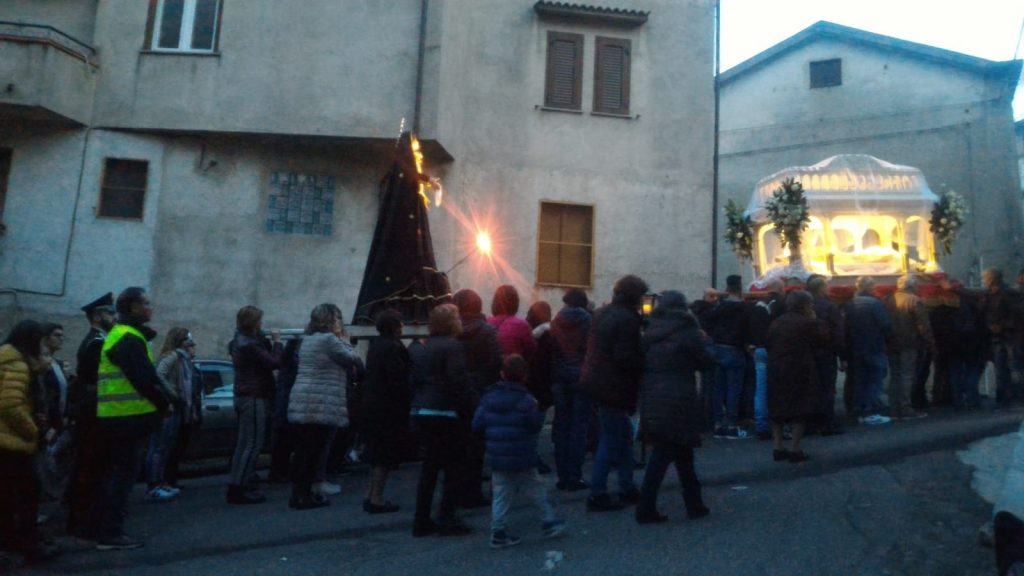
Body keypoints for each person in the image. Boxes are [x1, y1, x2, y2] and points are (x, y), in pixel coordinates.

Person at [89, 287, 170, 550]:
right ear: (134, 307)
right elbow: (145, 379)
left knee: (114, 475)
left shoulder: (122, 334)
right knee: (121, 477)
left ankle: (98, 528)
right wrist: (163, 403)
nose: (151, 307)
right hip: (128, 418)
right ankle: (111, 532)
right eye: (146, 303)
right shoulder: (128, 337)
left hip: (118, 418)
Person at [635, 291, 714, 524]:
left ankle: (694, 503)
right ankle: (646, 507)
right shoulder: (688, 331)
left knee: (681, 451)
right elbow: (706, 362)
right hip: (680, 395)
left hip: (652, 394)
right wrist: (705, 342)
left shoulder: (649, 331)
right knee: (665, 451)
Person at [472, 355, 566, 548]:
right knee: (536, 489)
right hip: (522, 454)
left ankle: (498, 529)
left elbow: (477, 424)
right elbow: (533, 425)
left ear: (501, 374)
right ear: (524, 376)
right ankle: (549, 520)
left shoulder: (488, 398)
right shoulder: (526, 400)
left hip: (498, 456)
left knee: (501, 494)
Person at [581, 274, 647, 512]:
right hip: (614, 385)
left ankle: (626, 486)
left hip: (597, 381)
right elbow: (625, 357)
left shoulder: (602, 313)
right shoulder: (628, 319)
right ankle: (598, 492)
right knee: (612, 437)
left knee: (620, 435)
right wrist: (644, 359)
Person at [288, 304, 360, 510]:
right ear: (328, 320)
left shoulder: (308, 340)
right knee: (312, 450)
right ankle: (303, 495)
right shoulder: (329, 340)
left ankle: (300, 493)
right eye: (337, 318)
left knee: (305, 449)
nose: (340, 322)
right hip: (318, 400)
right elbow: (351, 358)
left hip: (305, 397)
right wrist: (346, 341)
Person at [410, 303, 474, 537]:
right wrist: (469, 406)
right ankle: (447, 516)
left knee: (429, 468)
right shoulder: (453, 347)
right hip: (445, 412)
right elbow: (457, 381)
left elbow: (415, 379)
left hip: (423, 410)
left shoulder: (426, 347)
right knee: (453, 467)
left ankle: (421, 519)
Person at [0, 320, 58, 563]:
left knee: (9, 496)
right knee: (27, 494)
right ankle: (29, 545)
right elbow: (9, 405)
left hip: (8, 441)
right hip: (11, 442)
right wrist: (32, 429)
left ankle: (12, 540)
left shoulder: (13, 361)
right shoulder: (18, 365)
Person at [66, 293, 115, 538]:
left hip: (93, 410)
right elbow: (96, 379)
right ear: (97, 316)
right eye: (110, 313)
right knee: (89, 465)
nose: (114, 318)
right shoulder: (97, 342)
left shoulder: (100, 339)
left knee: (90, 465)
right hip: (93, 411)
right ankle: (82, 520)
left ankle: (83, 516)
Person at [228, 306, 282, 505]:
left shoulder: (238, 341)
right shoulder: (249, 344)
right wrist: (277, 343)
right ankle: (239, 488)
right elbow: (274, 362)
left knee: (243, 444)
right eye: (259, 321)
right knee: (252, 444)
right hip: (253, 395)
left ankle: (238, 483)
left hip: (244, 394)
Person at [767, 290, 828, 462]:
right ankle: (795, 448)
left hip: (776, 368)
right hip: (799, 369)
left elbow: (769, 341)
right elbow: (821, 341)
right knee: (800, 410)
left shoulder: (777, 322)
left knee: (777, 410)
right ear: (805, 305)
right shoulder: (807, 323)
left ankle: (778, 447)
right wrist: (816, 321)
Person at [453, 289, 500, 509]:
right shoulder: (487, 331)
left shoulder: (450, 332)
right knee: (476, 445)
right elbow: (495, 361)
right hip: (481, 391)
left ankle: (455, 492)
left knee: (457, 443)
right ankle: (472, 493)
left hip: (456, 392)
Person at [542, 289, 592, 491]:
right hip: (580, 376)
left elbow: (552, 348)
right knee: (579, 428)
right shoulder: (587, 320)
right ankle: (575, 475)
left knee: (561, 426)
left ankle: (563, 476)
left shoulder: (557, 320)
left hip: (560, 377)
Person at [361, 309, 409, 514]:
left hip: (373, 405)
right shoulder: (393, 347)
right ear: (396, 326)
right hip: (387, 408)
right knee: (383, 456)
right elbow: (397, 379)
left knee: (375, 454)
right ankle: (377, 498)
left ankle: (370, 493)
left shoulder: (376, 345)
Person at [144, 328, 189, 502]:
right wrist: (173, 394)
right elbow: (159, 375)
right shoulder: (172, 356)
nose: (190, 343)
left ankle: (161, 482)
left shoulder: (178, 357)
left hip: (172, 406)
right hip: (167, 406)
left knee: (165, 446)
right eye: (187, 339)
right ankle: (154, 484)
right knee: (159, 447)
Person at [704, 274, 750, 439]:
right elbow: (747, 329)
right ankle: (731, 424)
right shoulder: (744, 308)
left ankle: (717, 423)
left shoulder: (720, 307)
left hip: (718, 348)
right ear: (739, 287)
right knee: (734, 389)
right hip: (735, 349)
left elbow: (708, 320)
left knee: (718, 388)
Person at [885, 275, 935, 420]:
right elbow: (923, 325)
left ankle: (894, 408)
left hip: (892, 343)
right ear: (912, 286)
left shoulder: (887, 300)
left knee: (895, 375)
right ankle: (905, 408)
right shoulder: (914, 300)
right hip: (909, 343)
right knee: (907, 375)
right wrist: (930, 342)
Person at [845, 276, 893, 425]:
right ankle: (871, 411)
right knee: (875, 380)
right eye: (873, 287)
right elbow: (886, 325)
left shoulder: (849, 304)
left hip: (856, 348)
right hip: (874, 346)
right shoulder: (875, 304)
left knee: (860, 380)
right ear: (869, 288)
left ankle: (859, 410)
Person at [806, 275, 845, 435]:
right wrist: (842, 356)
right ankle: (827, 423)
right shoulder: (829, 307)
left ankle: (812, 422)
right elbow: (838, 333)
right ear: (822, 289)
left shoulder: (807, 306)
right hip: (826, 353)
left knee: (812, 388)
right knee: (828, 389)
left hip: (809, 353)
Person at [38, 323, 73, 501]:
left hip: (58, 422)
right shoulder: (41, 363)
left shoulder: (57, 364)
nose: (60, 339)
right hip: (46, 424)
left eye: (62, 336)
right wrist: (49, 425)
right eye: (56, 335)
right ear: (45, 338)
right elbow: (44, 397)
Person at [746, 280, 785, 440]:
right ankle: (782, 424)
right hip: (777, 350)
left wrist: (750, 344)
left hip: (760, 349)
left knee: (761, 389)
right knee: (781, 388)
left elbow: (750, 327)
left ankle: (762, 425)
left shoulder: (757, 305)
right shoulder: (783, 304)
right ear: (781, 289)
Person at [981, 268, 1022, 407]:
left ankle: (1017, 396)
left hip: (1012, 336)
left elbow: (1016, 314)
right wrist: (990, 326)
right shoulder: (988, 295)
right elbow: (985, 312)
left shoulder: (1009, 293)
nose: (984, 281)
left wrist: (1002, 326)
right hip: (998, 336)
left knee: (1014, 367)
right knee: (1000, 368)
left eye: (986, 278)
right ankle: (1004, 397)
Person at [488, 285, 536, 360]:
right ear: (515, 303)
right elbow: (531, 350)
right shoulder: (522, 325)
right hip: (513, 369)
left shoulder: (487, 322)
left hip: (490, 369)